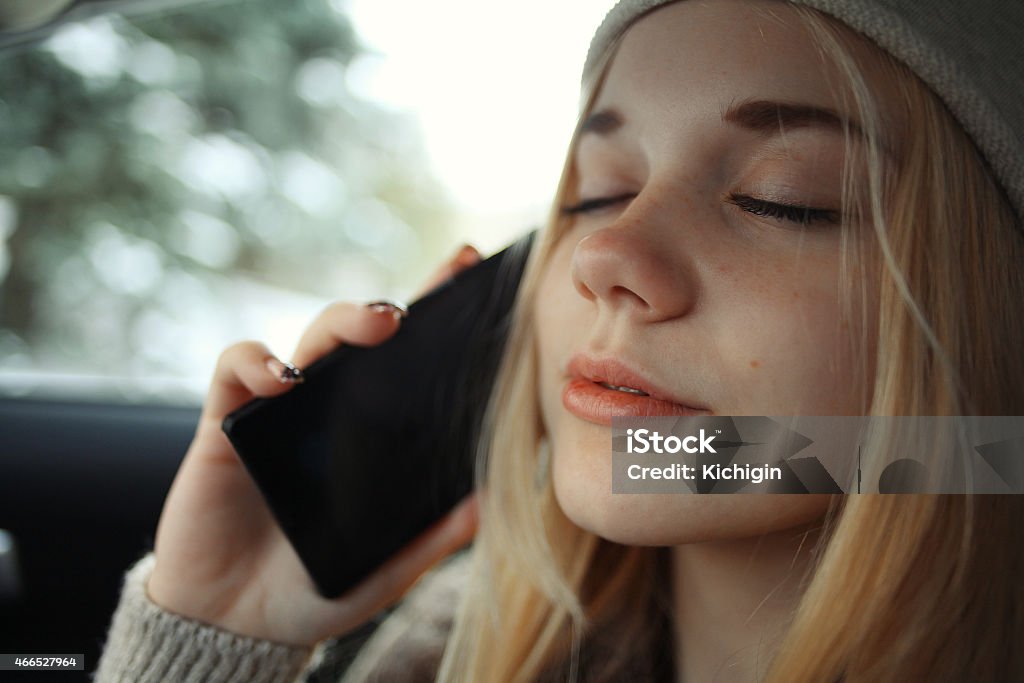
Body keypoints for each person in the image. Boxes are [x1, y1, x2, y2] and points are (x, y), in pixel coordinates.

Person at [95, 0, 1024, 681]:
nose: (602, 255)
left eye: (784, 198)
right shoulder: (459, 645)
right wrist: (218, 635)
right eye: (598, 190)